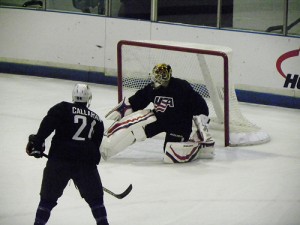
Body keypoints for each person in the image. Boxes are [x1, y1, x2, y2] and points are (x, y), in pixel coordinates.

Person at [26, 83, 109, 225]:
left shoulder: (63, 108)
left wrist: (38, 142)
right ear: (88, 98)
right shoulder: (97, 119)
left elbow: (48, 123)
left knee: (47, 200)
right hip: (85, 165)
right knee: (96, 201)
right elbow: (95, 148)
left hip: (59, 161)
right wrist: (88, 171)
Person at [102, 63, 215, 163]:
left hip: (179, 125)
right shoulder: (153, 88)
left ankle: (200, 148)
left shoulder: (181, 87)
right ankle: (106, 149)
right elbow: (139, 99)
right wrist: (123, 109)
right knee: (137, 130)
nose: (155, 78)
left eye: (158, 76)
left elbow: (200, 105)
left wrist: (202, 127)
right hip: (160, 120)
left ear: (166, 76)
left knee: (171, 153)